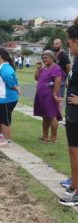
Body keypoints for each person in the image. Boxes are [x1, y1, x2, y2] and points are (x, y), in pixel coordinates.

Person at [58, 17, 78, 207]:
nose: (68, 45)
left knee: (76, 152)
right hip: (73, 115)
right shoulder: (77, 59)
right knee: (73, 152)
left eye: (69, 42)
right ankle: (74, 185)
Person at [0, 48, 20, 147]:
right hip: (1, 99)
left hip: (6, 99)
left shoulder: (5, 68)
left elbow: (8, 78)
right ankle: (4, 138)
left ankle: (7, 141)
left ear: (0, 56)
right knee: (2, 119)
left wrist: (16, 88)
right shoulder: (2, 66)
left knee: (5, 120)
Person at [33, 50, 62, 143]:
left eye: (46, 58)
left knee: (52, 115)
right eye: (43, 58)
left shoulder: (56, 68)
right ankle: (45, 136)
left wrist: (55, 93)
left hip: (50, 95)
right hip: (41, 96)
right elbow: (37, 78)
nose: (44, 59)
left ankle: (54, 138)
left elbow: (58, 81)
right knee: (45, 116)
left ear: (52, 57)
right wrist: (38, 68)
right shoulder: (43, 68)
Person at [53, 38, 71, 104]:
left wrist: (68, 80)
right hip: (53, 80)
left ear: (60, 44)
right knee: (52, 100)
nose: (55, 45)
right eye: (54, 44)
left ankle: (58, 114)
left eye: (57, 44)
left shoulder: (64, 56)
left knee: (58, 101)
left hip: (61, 81)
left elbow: (69, 68)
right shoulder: (53, 55)